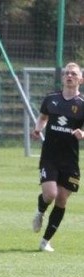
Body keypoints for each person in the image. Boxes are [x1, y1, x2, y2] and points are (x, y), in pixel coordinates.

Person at [30, 62, 84, 252]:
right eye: (67, 73)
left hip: (69, 160)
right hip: (50, 156)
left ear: (80, 79)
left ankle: (45, 241)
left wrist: (82, 134)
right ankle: (40, 211)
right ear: (63, 78)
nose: (70, 76)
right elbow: (43, 117)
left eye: (74, 74)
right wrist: (37, 129)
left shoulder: (82, 105)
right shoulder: (51, 99)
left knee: (61, 199)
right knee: (50, 194)